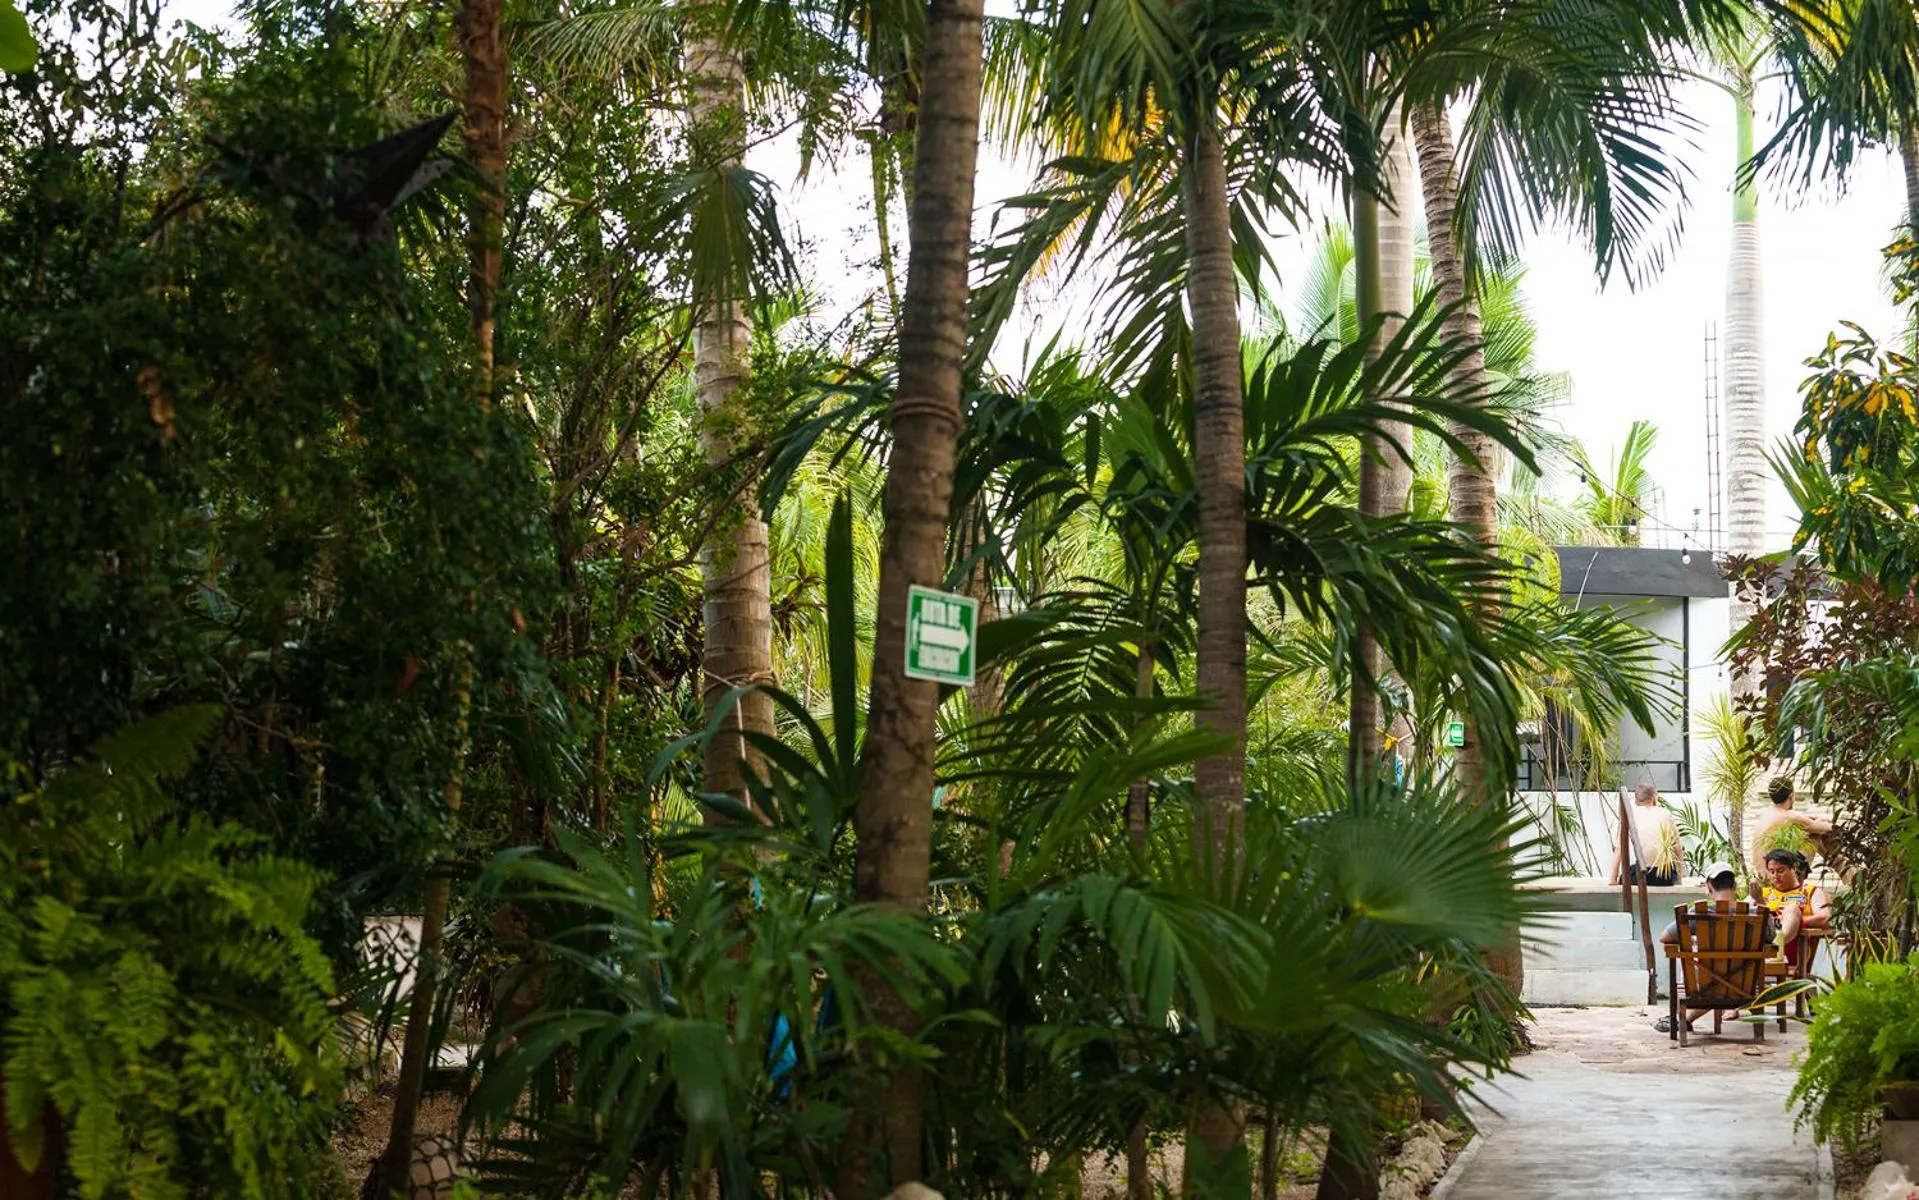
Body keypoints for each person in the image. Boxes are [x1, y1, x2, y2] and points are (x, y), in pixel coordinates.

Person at [1654, 861, 1771, 1034]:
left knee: (1694, 958)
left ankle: (1681, 1018)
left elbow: (1664, 938)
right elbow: (1771, 937)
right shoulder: (1754, 915)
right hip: (1743, 987)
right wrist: (1761, 902)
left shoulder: (1697, 914)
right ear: (1735, 886)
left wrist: (1694, 941)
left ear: (1709, 888)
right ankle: (1684, 1019)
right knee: (1725, 977)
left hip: (1704, 987)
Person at [1758, 847, 1831, 968]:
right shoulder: (1764, 894)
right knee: (1750, 901)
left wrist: (1793, 921)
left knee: (1792, 908)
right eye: (1772, 872)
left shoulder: (1809, 891)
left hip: (1797, 949)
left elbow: (1825, 918)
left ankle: (1776, 946)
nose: (1776, 876)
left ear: (1793, 869)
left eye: (1780, 870)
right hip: (1761, 944)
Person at [1751, 775, 1833, 878]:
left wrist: (1811, 820)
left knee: (1804, 832)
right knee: (1814, 835)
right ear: (1791, 796)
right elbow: (1825, 829)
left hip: (1764, 875)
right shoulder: (1788, 816)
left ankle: (1846, 872)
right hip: (1778, 875)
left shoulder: (1766, 813)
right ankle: (1845, 871)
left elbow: (1800, 820)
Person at [1608, 783, 1682, 886]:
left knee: (1627, 874)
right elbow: (1677, 848)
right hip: (1664, 876)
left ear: (1636, 800)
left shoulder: (1630, 815)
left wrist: (1613, 878)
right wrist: (1679, 878)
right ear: (1654, 797)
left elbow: (1619, 848)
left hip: (1640, 876)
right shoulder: (1665, 813)